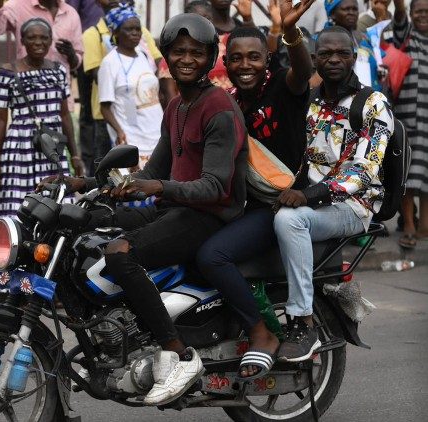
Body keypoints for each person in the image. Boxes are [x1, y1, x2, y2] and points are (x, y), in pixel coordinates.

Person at [49, 13, 248, 406]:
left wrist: (155, 187)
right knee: (87, 223)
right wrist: (87, 185)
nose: (186, 58)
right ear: (167, 57)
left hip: (209, 216)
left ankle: (176, 353)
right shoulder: (177, 106)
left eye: (196, 52)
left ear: (209, 59)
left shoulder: (219, 108)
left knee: (119, 252)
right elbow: (152, 170)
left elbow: (214, 186)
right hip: (173, 208)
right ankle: (107, 342)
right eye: (179, 51)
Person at [196, 0, 315, 380]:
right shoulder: (230, 102)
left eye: (254, 57)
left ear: (267, 59)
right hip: (244, 206)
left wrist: (291, 33)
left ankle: (260, 335)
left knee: (213, 256)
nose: (245, 65)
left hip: (278, 207)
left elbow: (302, 71)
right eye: (236, 58)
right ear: (225, 63)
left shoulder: (283, 85)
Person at [273, 25, 392, 362]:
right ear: (313, 59)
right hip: (311, 201)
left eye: (342, 53)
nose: (334, 59)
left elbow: (363, 170)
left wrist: (310, 195)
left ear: (354, 57)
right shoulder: (309, 101)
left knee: (289, 222)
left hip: (353, 205)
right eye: (326, 53)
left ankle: (303, 321)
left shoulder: (372, 103)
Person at [0, 18, 82, 292]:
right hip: (18, 152)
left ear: (51, 40)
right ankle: (11, 285)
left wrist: (74, 155)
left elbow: (65, 115)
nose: (39, 43)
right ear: (23, 41)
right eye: (32, 38)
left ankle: (56, 283)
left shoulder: (59, 71)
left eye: (44, 38)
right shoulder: (8, 72)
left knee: (57, 216)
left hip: (51, 151)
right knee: (15, 214)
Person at [82, 0, 161, 174]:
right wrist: (120, 132)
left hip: (154, 128)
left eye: (137, 29)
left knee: (158, 180)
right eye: (129, 29)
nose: (135, 33)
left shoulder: (143, 56)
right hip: (130, 132)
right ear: (116, 32)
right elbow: (105, 107)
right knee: (134, 184)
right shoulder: (109, 64)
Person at [0, 0, 83, 110]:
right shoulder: (17, 6)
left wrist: (71, 55)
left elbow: (77, 61)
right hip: (28, 98)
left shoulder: (71, 13)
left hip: (60, 100)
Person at [387, 0, 428, 246]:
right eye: (419, 11)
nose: (424, 15)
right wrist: (400, 7)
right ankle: (409, 226)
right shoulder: (406, 35)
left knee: (426, 176)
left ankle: (425, 226)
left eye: (427, 12)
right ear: (412, 14)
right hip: (409, 118)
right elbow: (399, 14)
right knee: (409, 174)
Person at [325, 0, 382, 91]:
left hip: (371, 98)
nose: (351, 13)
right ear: (332, 14)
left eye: (354, 9)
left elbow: (379, 64)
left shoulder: (366, 38)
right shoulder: (322, 41)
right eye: (346, 9)